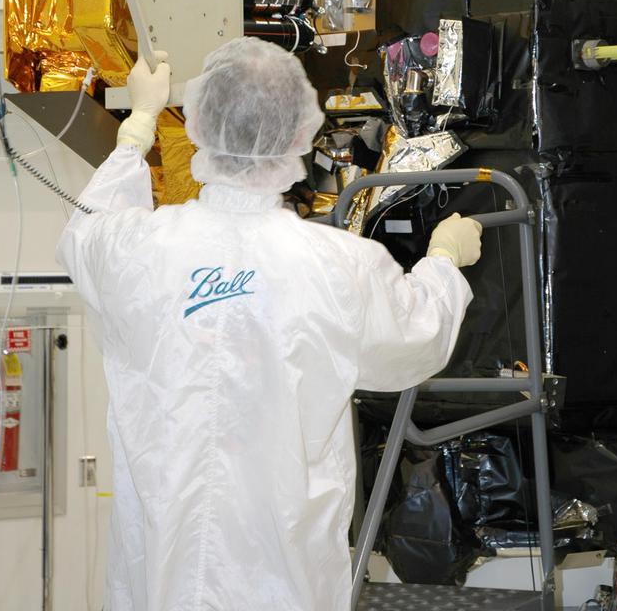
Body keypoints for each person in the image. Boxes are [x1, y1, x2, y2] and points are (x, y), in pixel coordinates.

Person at [57, 37, 482, 611]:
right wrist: (444, 258)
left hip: (159, 576)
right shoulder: (337, 266)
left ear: (201, 128)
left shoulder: (141, 249)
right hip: (283, 579)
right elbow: (418, 338)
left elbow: (85, 234)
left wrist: (141, 118)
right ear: (300, 136)